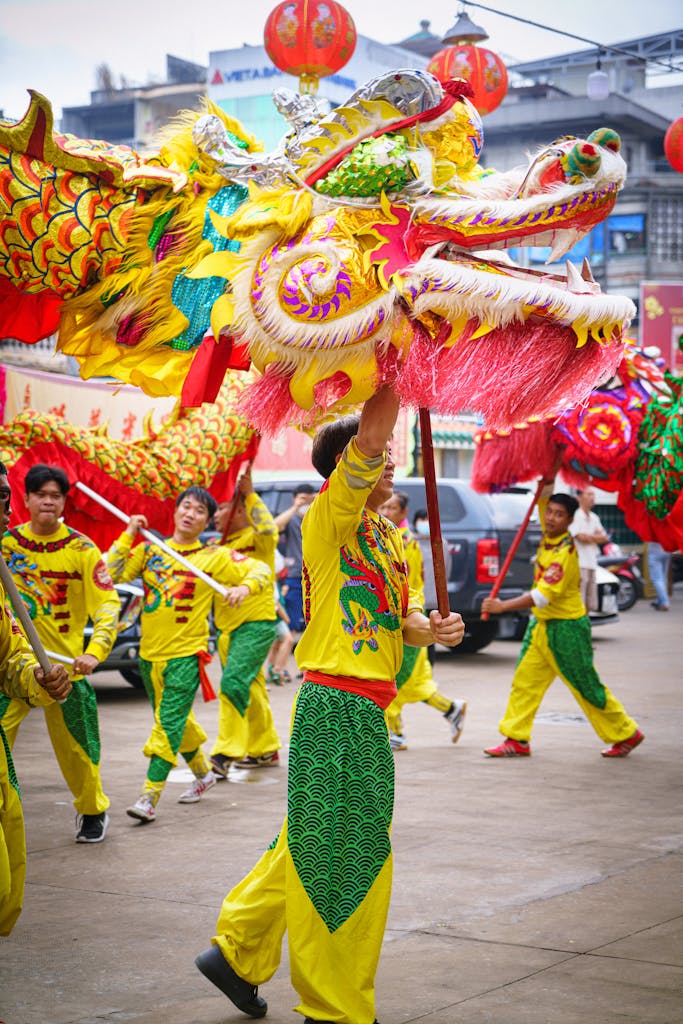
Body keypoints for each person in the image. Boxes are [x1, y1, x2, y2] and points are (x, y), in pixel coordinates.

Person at [195, 385, 465, 1024]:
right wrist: (400, 367)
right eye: (374, 455)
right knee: (346, 857)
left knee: (313, 840)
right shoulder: (328, 520)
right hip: (333, 703)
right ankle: (334, 1006)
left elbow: (405, 620)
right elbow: (370, 439)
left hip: (367, 709)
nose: (390, 458)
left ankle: (235, 951)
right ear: (345, 466)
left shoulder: (393, 541)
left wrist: (435, 630)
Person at [106, 486, 271, 822]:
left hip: (186, 656)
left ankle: (149, 796)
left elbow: (262, 572)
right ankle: (203, 774)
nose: (190, 513)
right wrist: (129, 534)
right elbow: (110, 574)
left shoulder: (213, 557)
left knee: (166, 726)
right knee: (173, 723)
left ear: (208, 521)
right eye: (186, 506)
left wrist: (243, 588)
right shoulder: (151, 552)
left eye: (199, 511)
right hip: (149, 657)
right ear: (176, 511)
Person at [1, 464, 120, 843]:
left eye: (56, 495)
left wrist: (95, 652)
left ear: (64, 502)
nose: (48, 502)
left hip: (68, 672)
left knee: (79, 751)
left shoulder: (82, 550)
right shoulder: (6, 546)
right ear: (26, 499)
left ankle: (92, 810)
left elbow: (107, 605)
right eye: (41, 494)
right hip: (15, 667)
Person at [481, 487, 644, 759]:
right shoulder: (549, 539)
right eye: (550, 513)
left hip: (567, 629)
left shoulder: (565, 553)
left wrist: (502, 606)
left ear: (570, 521)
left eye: (559, 515)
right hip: (542, 628)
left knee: (585, 685)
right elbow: (544, 496)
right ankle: (516, 738)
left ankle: (625, 732)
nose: (552, 518)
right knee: (524, 683)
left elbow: (541, 597)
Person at [0, 462, 71, 934]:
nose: (3, 511)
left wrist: (39, 678)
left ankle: (93, 811)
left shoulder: (81, 551)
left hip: (70, 664)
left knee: (7, 879)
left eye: (4, 498)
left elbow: (9, 658)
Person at [379, 490, 467, 750]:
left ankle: (395, 732)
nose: (386, 512)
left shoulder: (403, 542)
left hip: (406, 619)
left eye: (392, 508)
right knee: (416, 683)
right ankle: (452, 710)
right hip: (403, 619)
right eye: (383, 507)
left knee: (394, 680)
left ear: (404, 513)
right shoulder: (387, 537)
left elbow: (407, 585)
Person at [208, 471, 281, 776]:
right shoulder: (216, 546)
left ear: (238, 509)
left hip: (256, 624)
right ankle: (265, 749)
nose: (215, 515)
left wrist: (250, 493)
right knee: (250, 689)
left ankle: (226, 751)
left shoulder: (257, 538)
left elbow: (268, 528)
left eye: (221, 508)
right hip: (227, 628)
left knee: (233, 683)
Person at [273, 484, 317, 634]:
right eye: (303, 500)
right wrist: (295, 508)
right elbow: (275, 526)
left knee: (317, 622)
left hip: (317, 577)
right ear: (294, 500)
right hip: (295, 576)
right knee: (290, 622)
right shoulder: (291, 520)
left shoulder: (319, 519)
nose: (306, 504)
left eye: (310, 500)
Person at [569, 486, 608, 612]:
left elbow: (604, 537)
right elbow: (580, 537)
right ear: (579, 497)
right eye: (589, 494)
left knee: (590, 602)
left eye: (593, 495)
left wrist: (590, 537)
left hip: (591, 562)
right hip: (579, 563)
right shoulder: (575, 515)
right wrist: (595, 537)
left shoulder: (594, 517)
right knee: (579, 600)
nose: (592, 498)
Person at [647, 541, 671, 612]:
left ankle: (664, 602)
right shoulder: (668, 529)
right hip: (667, 550)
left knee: (657, 579)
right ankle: (659, 601)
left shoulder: (653, 529)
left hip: (655, 552)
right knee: (663, 577)